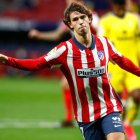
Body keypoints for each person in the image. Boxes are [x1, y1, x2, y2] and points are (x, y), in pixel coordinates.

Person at [1, 2, 140, 140]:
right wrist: (8, 60)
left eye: (82, 17)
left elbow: (124, 62)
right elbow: (36, 64)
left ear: (89, 19)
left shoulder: (105, 43)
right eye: (75, 19)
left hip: (109, 107)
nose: (80, 22)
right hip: (86, 115)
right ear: (70, 25)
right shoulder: (64, 50)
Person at [28, 0, 99, 127]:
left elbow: (103, 34)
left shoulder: (91, 17)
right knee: (68, 85)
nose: (67, 3)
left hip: (96, 56)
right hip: (82, 56)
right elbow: (56, 35)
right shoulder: (71, 20)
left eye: (70, 1)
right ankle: (71, 118)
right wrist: (39, 35)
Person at [97, 0, 140, 139]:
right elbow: (100, 43)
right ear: (113, 5)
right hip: (113, 67)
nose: (120, 7)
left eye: (122, 4)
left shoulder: (135, 19)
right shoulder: (105, 21)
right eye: (118, 4)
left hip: (132, 65)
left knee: (137, 95)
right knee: (113, 103)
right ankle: (113, 128)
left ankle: (127, 123)